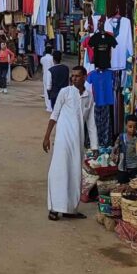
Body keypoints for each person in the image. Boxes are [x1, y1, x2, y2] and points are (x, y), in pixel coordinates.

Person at [42, 65, 98, 221]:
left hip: (77, 140)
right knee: (58, 171)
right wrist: (47, 136)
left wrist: (94, 146)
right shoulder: (64, 92)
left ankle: (70, 209)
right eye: (72, 76)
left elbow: (91, 123)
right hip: (62, 138)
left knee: (74, 173)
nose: (74, 78)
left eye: (77, 76)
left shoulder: (89, 96)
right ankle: (54, 208)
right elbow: (55, 114)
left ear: (85, 77)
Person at [115, 114, 137, 184]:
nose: (132, 129)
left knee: (135, 186)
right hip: (123, 167)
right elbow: (115, 148)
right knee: (122, 186)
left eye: (135, 127)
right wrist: (113, 154)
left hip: (135, 167)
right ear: (125, 126)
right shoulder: (121, 137)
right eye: (130, 127)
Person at [40, 47, 55, 112]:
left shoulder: (42, 58)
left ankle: (48, 106)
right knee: (52, 90)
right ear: (51, 51)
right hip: (52, 75)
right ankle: (52, 105)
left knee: (46, 91)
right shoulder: (52, 58)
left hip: (45, 75)